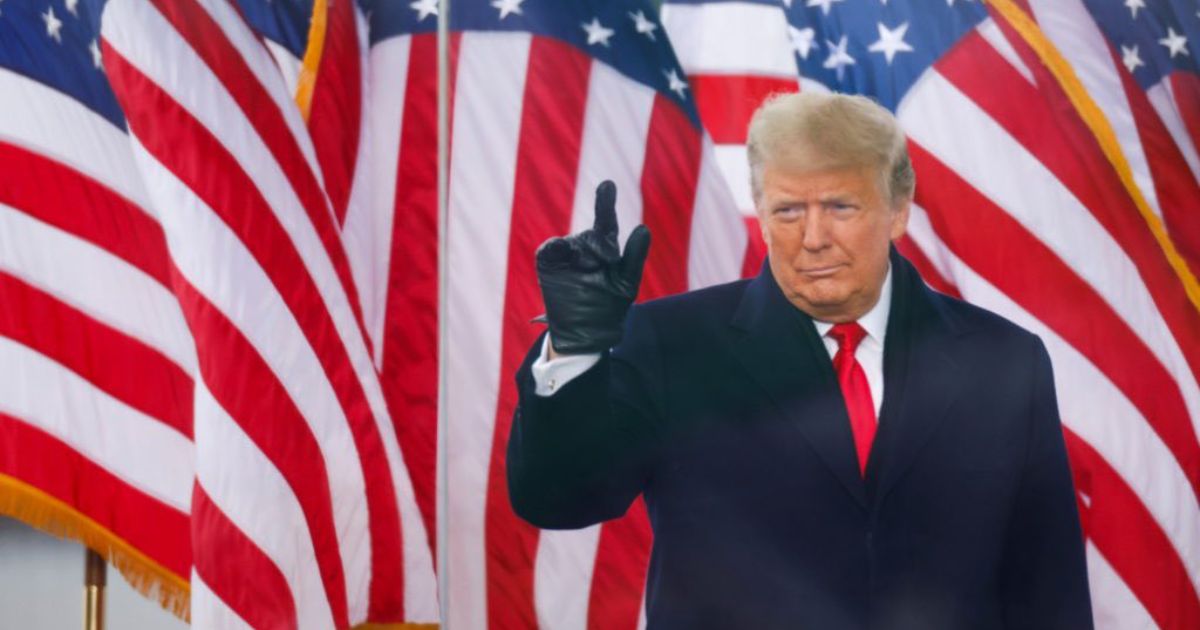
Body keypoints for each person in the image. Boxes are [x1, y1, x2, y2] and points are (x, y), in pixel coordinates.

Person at [507, 92, 1092, 629]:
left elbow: (1047, 586)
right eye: (788, 211)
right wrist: (577, 347)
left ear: (897, 210)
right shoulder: (667, 342)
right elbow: (559, 499)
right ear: (760, 212)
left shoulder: (1004, 360)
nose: (813, 237)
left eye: (841, 206)